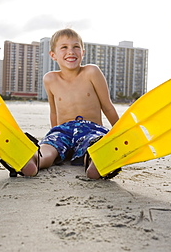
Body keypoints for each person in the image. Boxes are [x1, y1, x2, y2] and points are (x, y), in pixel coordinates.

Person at [21, 28, 119, 179]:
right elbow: (54, 112)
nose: (71, 51)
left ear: (83, 52)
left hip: (90, 128)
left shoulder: (91, 72)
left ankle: (96, 163)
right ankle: (35, 161)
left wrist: (122, 133)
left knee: (94, 146)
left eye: (76, 47)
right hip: (63, 130)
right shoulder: (50, 79)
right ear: (53, 55)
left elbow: (107, 106)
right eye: (64, 47)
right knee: (49, 146)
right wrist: (53, 133)